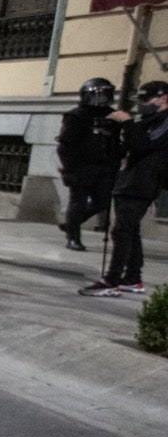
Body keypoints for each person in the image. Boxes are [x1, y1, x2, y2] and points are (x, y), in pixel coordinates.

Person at [81, 79, 168, 296]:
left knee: (122, 231)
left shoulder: (164, 122)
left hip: (144, 183)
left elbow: (143, 145)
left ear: (164, 99)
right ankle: (132, 277)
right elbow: (128, 148)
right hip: (129, 180)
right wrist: (111, 133)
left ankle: (111, 281)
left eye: (147, 99)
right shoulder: (147, 121)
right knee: (130, 230)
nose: (142, 104)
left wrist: (127, 123)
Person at [58, 77, 126, 251]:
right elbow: (65, 145)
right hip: (81, 166)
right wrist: (69, 169)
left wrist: (116, 159)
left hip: (105, 167)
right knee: (78, 202)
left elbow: (116, 142)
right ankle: (73, 237)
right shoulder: (76, 116)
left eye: (104, 95)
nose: (100, 99)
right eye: (97, 95)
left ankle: (72, 223)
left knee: (102, 202)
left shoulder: (113, 116)